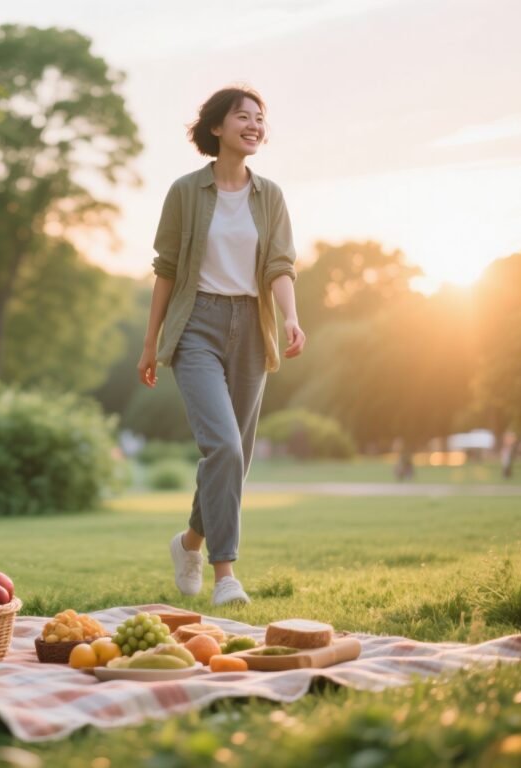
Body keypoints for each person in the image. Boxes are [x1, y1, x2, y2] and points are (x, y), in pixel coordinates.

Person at [137, 85, 306, 606]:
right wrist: (151, 345)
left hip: (252, 328)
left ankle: (188, 543)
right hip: (197, 326)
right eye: (243, 116)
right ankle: (225, 574)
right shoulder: (186, 192)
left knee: (233, 457)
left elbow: (280, 264)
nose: (255, 125)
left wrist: (292, 317)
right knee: (224, 447)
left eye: (261, 118)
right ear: (217, 127)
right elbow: (166, 270)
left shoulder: (270, 195)